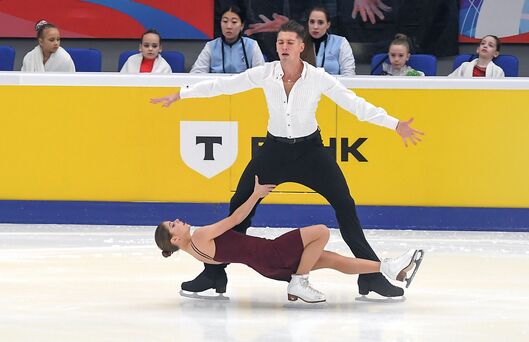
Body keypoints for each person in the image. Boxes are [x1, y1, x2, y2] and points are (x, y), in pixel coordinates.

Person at [151, 20, 424, 299]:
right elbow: (224, 85)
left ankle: (371, 277)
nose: (283, 47)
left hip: (311, 152)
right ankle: (213, 274)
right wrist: (182, 94)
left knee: (345, 205)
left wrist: (394, 124)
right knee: (241, 201)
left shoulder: (317, 77)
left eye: (290, 42)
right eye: (280, 42)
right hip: (274, 151)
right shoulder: (266, 73)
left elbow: (355, 105)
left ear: (301, 47)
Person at [155, 176, 424, 303]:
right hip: (272, 253)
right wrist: (256, 194)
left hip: (267, 265)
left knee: (332, 259)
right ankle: (299, 282)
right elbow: (235, 219)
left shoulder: (195, 250)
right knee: (321, 231)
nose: (178, 220)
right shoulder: (200, 236)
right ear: (175, 238)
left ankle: (387, 267)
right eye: (173, 224)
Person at [190, 6, 265, 73]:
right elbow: (196, 73)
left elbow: (261, 74)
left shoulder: (252, 45)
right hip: (217, 87)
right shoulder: (211, 46)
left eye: (234, 22)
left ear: (242, 26)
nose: (228, 26)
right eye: (225, 21)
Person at [307, 7, 356, 76]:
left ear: (328, 25)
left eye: (320, 22)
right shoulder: (299, 43)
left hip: (334, 86)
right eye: (312, 22)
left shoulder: (341, 42)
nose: (315, 26)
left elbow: (349, 73)